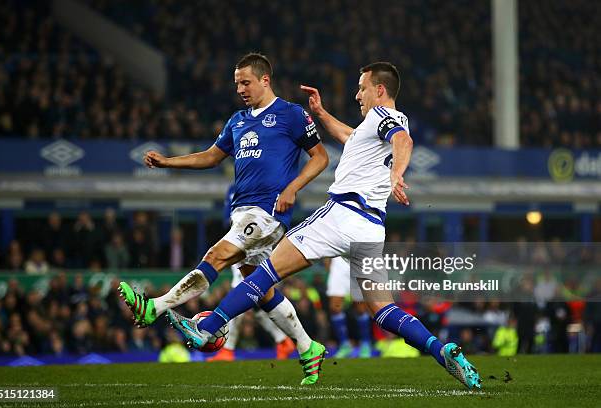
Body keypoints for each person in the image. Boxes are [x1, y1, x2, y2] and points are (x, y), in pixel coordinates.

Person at [167, 62, 482, 389]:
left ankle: (209, 326)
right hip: (372, 227)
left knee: (263, 271)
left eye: (362, 88)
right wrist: (320, 112)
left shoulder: (384, 118)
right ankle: (441, 349)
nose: (357, 94)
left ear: (380, 89)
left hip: (342, 215)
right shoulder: (371, 128)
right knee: (383, 309)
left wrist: (398, 173)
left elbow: (403, 140)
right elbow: (351, 137)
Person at [118, 53, 329, 384]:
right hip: (241, 212)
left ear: (264, 80)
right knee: (259, 289)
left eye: (245, 82)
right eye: (236, 84)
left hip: (267, 212)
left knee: (216, 256)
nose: (240, 89)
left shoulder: (291, 114)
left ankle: (154, 307)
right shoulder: (237, 120)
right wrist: (168, 163)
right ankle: (307, 347)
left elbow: (321, 157)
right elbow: (211, 156)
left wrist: (292, 188)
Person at [209, 184, 295, 361]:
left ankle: (228, 349)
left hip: (253, 244)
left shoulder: (267, 184)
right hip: (240, 240)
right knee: (258, 302)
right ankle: (283, 340)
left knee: (240, 294)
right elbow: (228, 220)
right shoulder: (234, 187)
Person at [325, 257, 373, 358]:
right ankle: (344, 345)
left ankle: (365, 344)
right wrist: (327, 260)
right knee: (335, 308)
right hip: (338, 263)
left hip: (357, 260)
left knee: (361, 308)